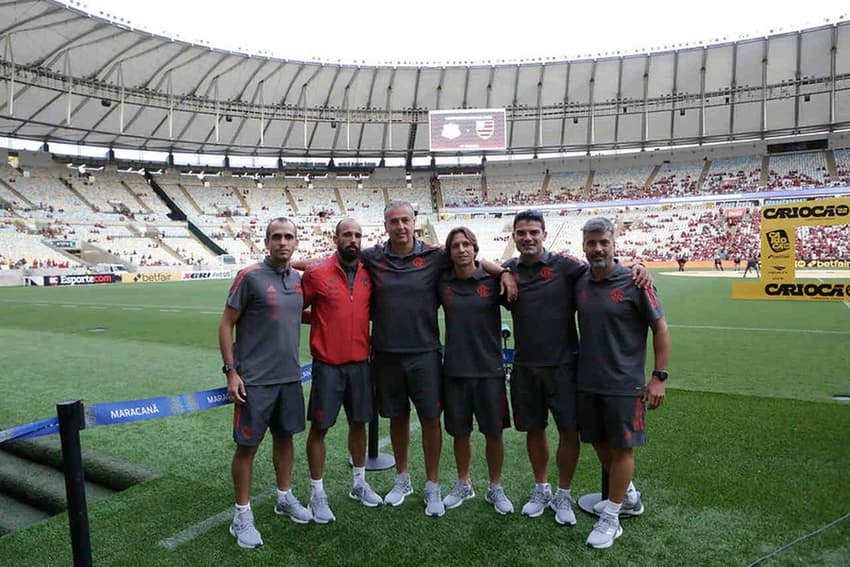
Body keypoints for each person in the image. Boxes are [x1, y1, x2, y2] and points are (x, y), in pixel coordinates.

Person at [362, 200, 515, 518]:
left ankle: (433, 485)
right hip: (387, 354)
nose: (401, 226)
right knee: (397, 417)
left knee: (431, 419)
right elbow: (338, 257)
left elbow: (469, 257)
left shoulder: (435, 255)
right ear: (386, 225)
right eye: (394, 221)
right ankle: (402, 479)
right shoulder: (373, 256)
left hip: (426, 354)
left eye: (406, 220)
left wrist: (504, 273)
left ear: (414, 221)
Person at [502, 209, 651, 527]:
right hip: (526, 366)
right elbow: (477, 267)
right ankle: (541, 489)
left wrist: (638, 267)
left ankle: (563, 494)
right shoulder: (509, 269)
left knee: (569, 432)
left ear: (544, 234)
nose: (528, 238)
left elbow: (604, 268)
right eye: (521, 233)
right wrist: (501, 273)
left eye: (534, 232)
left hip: (566, 366)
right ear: (513, 237)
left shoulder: (567, 268)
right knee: (534, 430)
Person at [575, 216, 669, 549]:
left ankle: (612, 518)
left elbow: (660, 329)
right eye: (591, 242)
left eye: (604, 242)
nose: (598, 248)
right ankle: (627, 496)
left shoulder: (636, 281)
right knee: (598, 441)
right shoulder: (580, 280)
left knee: (623, 446)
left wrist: (658, 377)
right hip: (587, 381)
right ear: (583, 245)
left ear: (615, 244)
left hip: (625, 383)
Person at [218, 217, 312, 550]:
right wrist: (231, 371)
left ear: (296, 242)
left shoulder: (299, 281)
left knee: (285, 439)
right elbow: (226, 324)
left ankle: (283, 498)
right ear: (266, 241)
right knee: (247, 447)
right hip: (254, 382)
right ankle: (241, 515)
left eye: (289, 237)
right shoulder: (250, 276)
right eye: (277, 237)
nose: (283, 242)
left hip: (289, 378)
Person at [300, 218, 383, 524]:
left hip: (361, 363)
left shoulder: (369, 273)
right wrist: (320, 322)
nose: (353, 240)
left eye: (358, 235)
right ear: (335, 238)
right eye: (347, 234)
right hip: (327, 366)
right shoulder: (317, 272)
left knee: (359, 423)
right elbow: (294, 307)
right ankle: (317, 493)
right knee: (320, 428)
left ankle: (359, 485)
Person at [438, 227, 514, 515]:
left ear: (475, 248)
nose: (461, 250)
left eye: (466, 244)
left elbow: (512, 278)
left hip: (489, 371)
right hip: (455, 371)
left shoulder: (493, 281)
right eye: (456, 245)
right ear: (450, 251)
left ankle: (495, 487)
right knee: (460, 433)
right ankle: (463, 483)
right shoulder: (441, 282)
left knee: (494, 433)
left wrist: (504, 272)